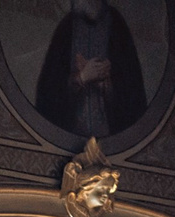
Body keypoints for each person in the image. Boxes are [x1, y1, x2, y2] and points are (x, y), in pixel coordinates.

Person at [34, 0, 148, 138]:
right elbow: (48, 93)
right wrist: (81, 78)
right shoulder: (67, 27)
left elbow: (132, 95)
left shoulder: (117, 26)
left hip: (109, 142)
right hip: (69, 139)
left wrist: (107, 85)